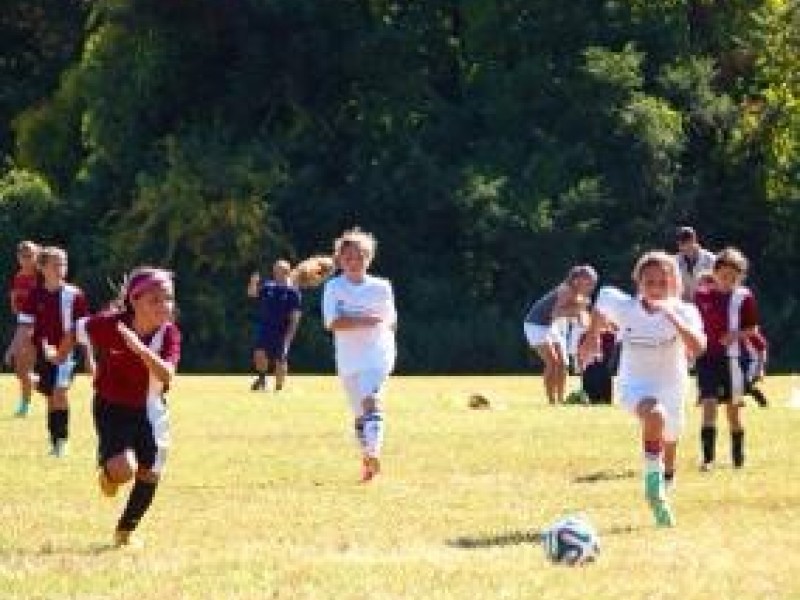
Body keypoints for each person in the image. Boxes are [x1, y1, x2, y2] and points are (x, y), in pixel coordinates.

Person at [47, 267, 180, 548]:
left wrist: (140, 350)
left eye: (168, 298)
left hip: (151, 411)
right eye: (155, 299)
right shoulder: (110, 325)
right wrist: (59, 357)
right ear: (134, 300)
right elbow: (75, 331)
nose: (164, 306)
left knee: (150, 473)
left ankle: (124, 533)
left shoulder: (169, 334)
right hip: (112, 408)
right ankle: (109, 473)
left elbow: (167, 375)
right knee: (123, 471)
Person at [579, 251, 705, 527]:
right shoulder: (625, 307)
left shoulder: (686, 311)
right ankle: (652, 488)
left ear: (674, 283)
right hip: (634, 385)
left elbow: (698, 347)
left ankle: (663, 488)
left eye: (663, 282)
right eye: (650, 282)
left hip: (672, 385)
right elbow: (602, 303)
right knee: (655, 416)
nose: (656, 288)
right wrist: (592, 338)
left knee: (670, 439)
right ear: (639, 282)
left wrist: (674, 319)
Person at [322, 227, 396, 482]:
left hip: (377, 355)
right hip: (348, 359)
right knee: (359, 415)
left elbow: (390, 322)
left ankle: (374, 452)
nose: (354, 262)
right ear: (340, 260)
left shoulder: (382, 287)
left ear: (369, 258)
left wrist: (382, 338)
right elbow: (332, 323)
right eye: (348, 258)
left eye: (360, 257)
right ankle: (367, 457)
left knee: (371, 400)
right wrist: (363, 320)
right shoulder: (333, 287)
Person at [7, 246, 90, 456]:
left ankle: (62, 442)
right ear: (42, 267)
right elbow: (24, 325)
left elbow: (85, 329)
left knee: (59, 393)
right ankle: (55, 440)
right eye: (56, 264)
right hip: (44, 353)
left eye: (64, 263)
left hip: (68, 352)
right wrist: (14, 348)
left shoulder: (75, 295)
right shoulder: (35, 295)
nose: (62, 268)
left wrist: (90, 358)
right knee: (51, 398)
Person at [694, 247, 760, 471]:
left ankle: (738, 455)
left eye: (734, 277)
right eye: (723, 276)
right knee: (709, 405)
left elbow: (752, 328)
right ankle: (708, 459)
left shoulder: (744, 297)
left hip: (733, 360)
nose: (728, 281)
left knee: (733, 411)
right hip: (706, 359)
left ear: (740, 277)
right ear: (715, 273)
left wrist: (735, 335)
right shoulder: (701, 296)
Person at [523, 265, 598, 404]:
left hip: (551, 325)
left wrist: (587, 323)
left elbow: (577, 317)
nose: (591, 286)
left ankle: (561, 400)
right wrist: (578, 308)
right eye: (588, 281)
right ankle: (552, 401)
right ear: (577, 280)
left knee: (563, 363)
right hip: (535, 325)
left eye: (593, 282)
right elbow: (556, 313)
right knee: (552, 362)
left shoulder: (579, 295)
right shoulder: (567, 290)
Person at [247, 260, 302, 392]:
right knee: (259, 354)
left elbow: (295, 318)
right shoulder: (268, 287)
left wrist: (288, 338)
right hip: (265, 328)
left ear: (287, 272)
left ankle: (278, 388)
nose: (276, 273)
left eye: (279, 271)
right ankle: (262, 380)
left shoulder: (293, 293)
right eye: (275, 270)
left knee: (280, 359)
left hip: (282, 331)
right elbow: (252, 294)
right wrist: (253, 282)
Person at [5, 240, 40, 416]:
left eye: (30, 256)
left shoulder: (41, 275)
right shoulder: (18, 276)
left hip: (39, 326)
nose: (26, 259)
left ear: (36, 256)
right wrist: (14, 302)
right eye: (22, 256)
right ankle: (36, 381)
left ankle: (24, 406)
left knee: (25, 367)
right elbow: (15, 297)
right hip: (23, 324)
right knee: (20, 370)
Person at [675, 226, 716, 303]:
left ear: (694, 240)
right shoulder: (674, 262)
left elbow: (717, 285)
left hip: (706, 304)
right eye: (680, 243)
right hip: (684, 306)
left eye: (686, 242)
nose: (683, 247)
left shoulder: (711, 260)